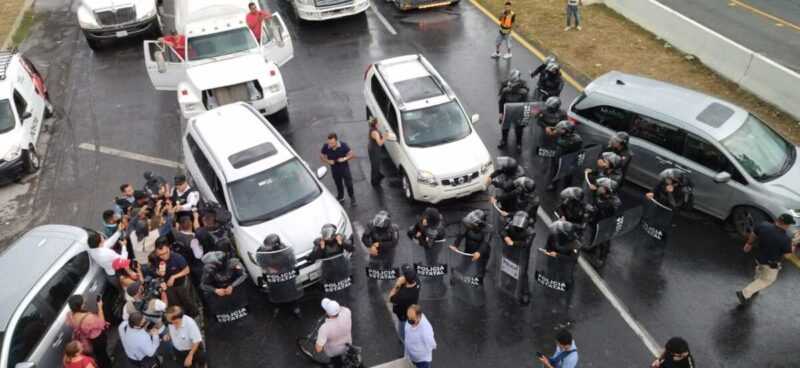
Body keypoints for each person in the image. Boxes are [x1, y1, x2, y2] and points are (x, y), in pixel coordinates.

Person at [736, 214, 796, 306]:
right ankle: (745, 293)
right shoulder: (785, 239)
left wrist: (748, 244)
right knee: (767, 280)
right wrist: (793, 245)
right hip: (770, 264)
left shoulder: (764, 225)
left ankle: (755, 288)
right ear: (786, 225)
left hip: (759, 257)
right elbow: (788, 255)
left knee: (759, 273)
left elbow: (753, 234)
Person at [149, 236, 199, 318]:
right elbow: (152, 269)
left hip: (181, 284)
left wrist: (174, 277)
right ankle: (179, 315)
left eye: (165, 253)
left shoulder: (177, 257)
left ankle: (194, 315)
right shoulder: (154, 258)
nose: (163, 256)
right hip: (167, 286)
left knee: (187, 300)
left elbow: (187, 270)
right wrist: (158, 272)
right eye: (160, 254)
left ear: (169, 248)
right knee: (174, 303)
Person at [256, 234, 301, 317]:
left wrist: (284, 268)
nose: (267, 248)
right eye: (266, 246)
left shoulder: (286, 250)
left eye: (269, 247)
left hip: (286, 274)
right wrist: (268, 269)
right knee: (274, 291)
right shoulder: (262, 251)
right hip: (272, 276)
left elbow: (292, 262)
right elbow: (260, 261)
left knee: (290, 290)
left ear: (276, 245)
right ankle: (277, 306)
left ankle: (295, 307)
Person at [582, 178, 621, 268]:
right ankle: (592, 248)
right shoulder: (600, 194)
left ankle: (601, 258)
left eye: (601, 187)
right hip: (597, 219)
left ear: (607, 190)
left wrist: (592, 208)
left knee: (604, 241)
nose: (599, 187)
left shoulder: (612, 202)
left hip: (606, 223)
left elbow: (605, 208)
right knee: (594, 234)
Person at [200, 250, 248, 323]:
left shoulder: (234, 263)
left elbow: (243, 275)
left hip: (235, 287)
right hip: (219, 291)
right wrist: (215, 290)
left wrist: (232, 286)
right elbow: (203, 285)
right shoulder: (208, 269)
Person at [500, 211, 535, 304]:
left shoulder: (530, 231)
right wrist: (506, 237)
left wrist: (514, 243)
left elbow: (527, 244)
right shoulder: (511, 224)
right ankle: (511, 283)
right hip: (510, 251)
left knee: (522, 272)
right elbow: (502, 231)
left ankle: (526, 292)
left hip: (522, 253)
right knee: (510, 267)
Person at [66, 295, 111, 368]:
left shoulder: (69, 315)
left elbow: (71, 324)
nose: (85, 303)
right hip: (97, 339)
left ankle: (103, 363)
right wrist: (100, 307)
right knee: (102, 355)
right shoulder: (88, 318)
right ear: (80, 305)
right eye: (83, 302)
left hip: (85, 338)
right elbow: (102, 323)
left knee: (98, 354)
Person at [450, 210, 492, 277]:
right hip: (469, 250)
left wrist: (479, 252)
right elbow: (461, 235)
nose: (467, 225)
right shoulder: (468, 226)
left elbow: (485, 243)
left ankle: (479, 280)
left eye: (470, 224)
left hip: (482, 253)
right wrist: (455, 245)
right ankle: (456, 277)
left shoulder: (487, 230)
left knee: (480, 270)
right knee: (463, 266)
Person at [87, 222, 128, 289]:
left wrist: (119, 231)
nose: (104, 238)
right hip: (115, 274)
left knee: (119, 288)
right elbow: (124, 260)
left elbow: (108, 242)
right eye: (102, 238)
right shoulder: (107, 253)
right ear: (99, 243)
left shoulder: (92, 249)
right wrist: (124, 246)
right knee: (122, 288)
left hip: (109, 273)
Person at [497, 69, 530, 150]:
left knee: (519, 129)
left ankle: (519, 143)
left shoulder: (524, 87)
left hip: (519, 112)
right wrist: (501, 113)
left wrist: (526, 115)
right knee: (505, 127)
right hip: (507, 110)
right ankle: (504, 140)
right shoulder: (505, 86)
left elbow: (527, 103)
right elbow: (501, 101)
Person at [315, 298, 353, 368]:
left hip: (334, 352)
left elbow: (318, 349)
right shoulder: (347, 312)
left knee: (337, 364)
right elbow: (342, 309)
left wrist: (319, 340)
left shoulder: (324, 328)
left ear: (327, 312)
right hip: (348, 345)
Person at [320, 133, 356, 205]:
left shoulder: (343, 145)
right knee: (338, 184)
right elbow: (321, 155)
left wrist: (344, 159)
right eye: (329, 142)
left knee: (349, 184)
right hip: (335, 169)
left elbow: (352, 154)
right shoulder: (326, 146)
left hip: (344, 168)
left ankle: (352, 197)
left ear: (336, 141)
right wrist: (328, 161)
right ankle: (341, 197)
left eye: (332, 143)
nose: (330, 145)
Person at [548, 120, 583, 191]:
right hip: (572, 159)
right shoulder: (578, 138)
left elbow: (558, 152)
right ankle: (566, 187)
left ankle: (554, 185)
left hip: (562, 159)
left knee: (556, 172)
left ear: (565, 131)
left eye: (561, 129)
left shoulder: (562, 142)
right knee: (568, 175)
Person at [389, 265, 421, 340]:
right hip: (412, 308)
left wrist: (397, 285)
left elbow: (390, 298)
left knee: (402, 326)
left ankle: (403, 339)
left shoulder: (402, 296)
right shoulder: (417, 281)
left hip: (402, 313)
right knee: (411, 323)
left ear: (405, 280)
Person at [367, 117, 389, 186]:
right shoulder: (375, 132)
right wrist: (385, 137)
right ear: (375, 124)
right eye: (378, 122)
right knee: (375, 165)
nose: (379, 123)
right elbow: (379, 143)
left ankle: (377, 177)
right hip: (374, 150)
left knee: (375, 164)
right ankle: (374, 181)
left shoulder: (372, 129)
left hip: (373, 148)